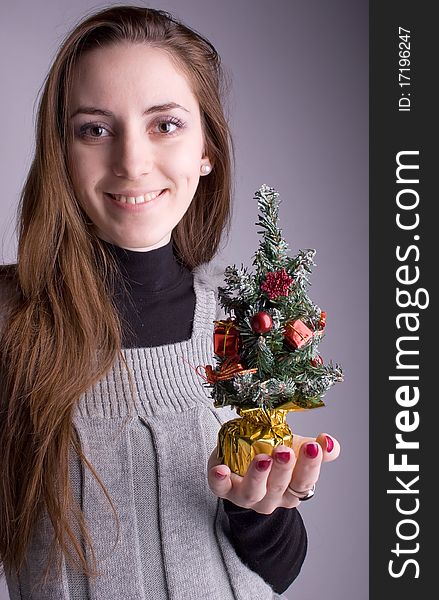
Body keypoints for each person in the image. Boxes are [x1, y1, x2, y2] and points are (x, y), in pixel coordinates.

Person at [0, 5, 340, 599]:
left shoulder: (243, 322)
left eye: (165, 124)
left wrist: (260, 510)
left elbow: (279, 569)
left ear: (206, 149)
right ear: (62, 152)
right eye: (95, 129)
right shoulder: (11, 321)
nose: (132, 162)